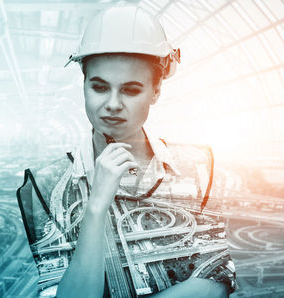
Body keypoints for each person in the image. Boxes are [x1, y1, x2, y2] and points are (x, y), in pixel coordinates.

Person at [17, 3, 235, 297]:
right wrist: (96, 207)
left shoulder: (198, 169)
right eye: (99, 87)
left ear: (156, 90)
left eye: (131, 90)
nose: (113, 104)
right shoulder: (45, 186)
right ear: (83, 85)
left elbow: (216, 286)